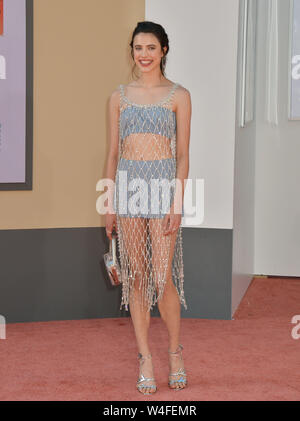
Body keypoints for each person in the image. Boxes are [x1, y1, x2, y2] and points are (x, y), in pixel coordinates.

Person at [105, 21, 191, 395]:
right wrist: (108, 204)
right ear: (132, 51)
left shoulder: (179, 95)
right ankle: (145, 359)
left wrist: (177, 200)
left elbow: (184, 155)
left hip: (161, 190)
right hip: (127, 190)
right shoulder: (118, 96)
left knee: (161, 278)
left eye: (151, 48)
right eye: (138, 48)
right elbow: (112, 154)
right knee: (137, 279)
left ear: (164, 51)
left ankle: (175, 352)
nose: (144, 54)